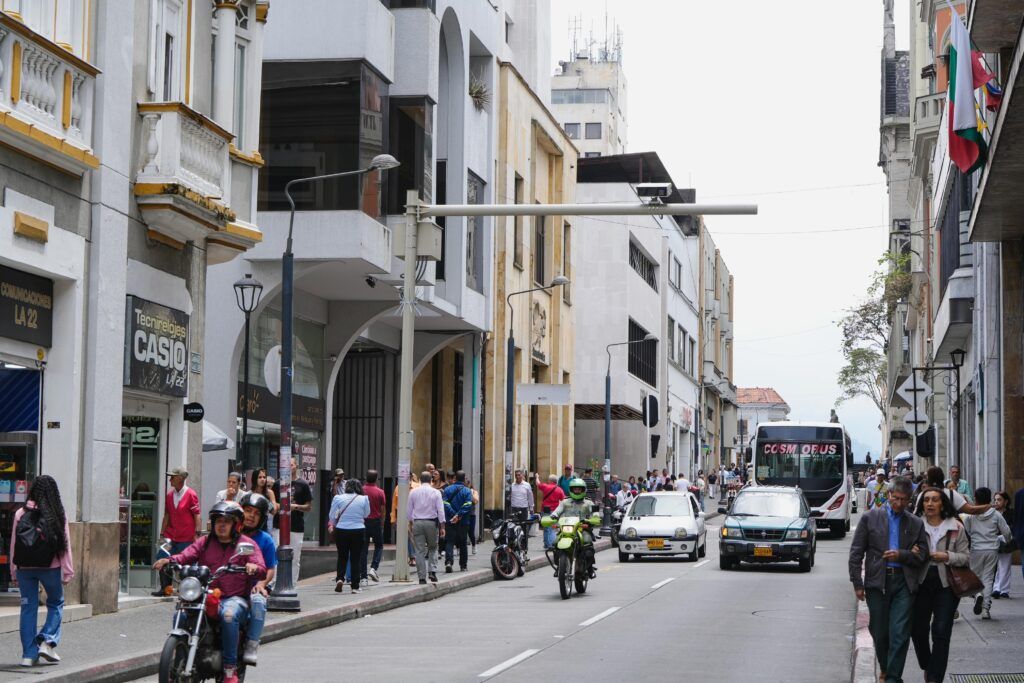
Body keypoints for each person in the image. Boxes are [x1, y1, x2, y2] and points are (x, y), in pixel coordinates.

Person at [154, 502, 266, 683]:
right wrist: (169, 560)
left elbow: (260, 566)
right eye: (218, 521)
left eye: (227, 521)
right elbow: (186, 555)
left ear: (236, 524)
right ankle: (181, 659)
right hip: (206, 594)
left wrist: (253, 566)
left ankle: (230, 669)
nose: (221, 525)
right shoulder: (205, 543)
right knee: (180, 615)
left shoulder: (245, 544)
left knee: (229, 615)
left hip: (234, 597)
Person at [848, 476, 928, 683]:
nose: (899, 503)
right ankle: (885, 666)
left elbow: (922, 555)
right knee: (880, 631)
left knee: (900, 633)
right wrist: (857, 583)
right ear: (889, 495)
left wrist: (902, 555)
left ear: (910, 500)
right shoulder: (870, 517)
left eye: (904, 500)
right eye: (896, 498)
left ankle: (893, 678)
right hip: (877, 582)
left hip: (904, 582)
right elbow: (856, 552)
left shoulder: (916, 523)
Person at [10, 475, 74, 668]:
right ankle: (47, 640)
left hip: (24, 569)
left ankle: (28, 655)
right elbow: (65, 545)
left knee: (28, 608)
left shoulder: (20, 513)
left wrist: (14, 570)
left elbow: (14, 544)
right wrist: (68, 571)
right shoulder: (57, 513)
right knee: (56, 602)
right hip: (50, 567)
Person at [910, 486, 969, 683]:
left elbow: (966, 558)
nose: (930, 504)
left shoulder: (956, 527)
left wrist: (947, 556)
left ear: (942, 503)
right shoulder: (914, 525)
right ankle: (928, 665)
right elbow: (905, 552)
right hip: (921, 582)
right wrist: (913, 552)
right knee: (917, 630)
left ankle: (935, 678)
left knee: (941, 631)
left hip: (947, 584)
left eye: (935, 500)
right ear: (922, 504)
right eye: (926, 500)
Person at [237, 492, 276, 666]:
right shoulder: (230, 533)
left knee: (259, 603)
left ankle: (252, 643)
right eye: (248, 510)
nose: (251, 516)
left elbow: (270, 569)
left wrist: (261, 583)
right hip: (229, 585)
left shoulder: (266, 540)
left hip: (252, 587)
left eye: (256, 513)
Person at [963, 487, 1012, 620]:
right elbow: (1006, 530)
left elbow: (966, 530)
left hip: (976, 550)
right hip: (992, 549)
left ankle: (978, 595)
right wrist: (1007, 540)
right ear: (989, 499)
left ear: (976, 499)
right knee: (989, 578)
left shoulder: (972, 515)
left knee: (975, 577)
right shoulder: (996, 514)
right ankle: (986, 609)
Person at [153, 467, 201, 596]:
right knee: (162, 557)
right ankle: (165, 589)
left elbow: (197, 515)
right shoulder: (169, 495)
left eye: (172, 477)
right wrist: (162, 533)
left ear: (180, 479)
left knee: (185, 564)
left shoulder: (191, 494)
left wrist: (197, 534)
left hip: (186, 536)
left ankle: (187, 590)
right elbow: (167, 515)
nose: (170, 479)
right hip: (170, 535)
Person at [547, 478, 598, 578]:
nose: (577, 491)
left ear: (583, 490)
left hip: (582, 528)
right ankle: (559, 567)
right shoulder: (565, 502)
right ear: (571, 490)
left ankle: (590, 568)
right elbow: (558, 510)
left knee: (588, 544)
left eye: (579, 489)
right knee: (556, 544)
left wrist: (594, 518)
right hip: (567, 528)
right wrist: (553, 516)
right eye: (575, 489)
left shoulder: (588, 503)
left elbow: (595, 513)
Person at [274, 458, 313, 585]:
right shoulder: (278, 484)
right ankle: (275, 582)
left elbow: (308, 506)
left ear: (296, 466)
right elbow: (273, 504)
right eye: (286, 465)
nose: (289, 467)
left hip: (296, 525)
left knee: (295, 556)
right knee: (276, 553)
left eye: (291, 465)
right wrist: (281, 506)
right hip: (278, 524)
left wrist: (295, 506)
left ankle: (293, 584)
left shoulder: (303, 484)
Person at [327, 479, 369, 594]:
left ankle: (340, 579)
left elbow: (331, 515)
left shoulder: (338, 498)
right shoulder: (364, 499)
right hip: (358, 529)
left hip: (342, 530)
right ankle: (355, 586)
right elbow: (366, 514)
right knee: (355, 558)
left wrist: (333, 524)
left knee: (342, 556)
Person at [407, 471, 446, 584]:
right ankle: (432, 571)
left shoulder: (413, 492)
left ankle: (421, 577)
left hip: (418, 523)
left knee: (419, 550)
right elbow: (440, 511)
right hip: (431, 524)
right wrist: (442, 526)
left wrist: (410, 523)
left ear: (420, 479)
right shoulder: (436, 492)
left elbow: (409, 511)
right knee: (433, 548)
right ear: (431, 480)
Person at [442, 471, 474, 573]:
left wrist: (453, 514)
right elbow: (468, 504)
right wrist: (459, 515)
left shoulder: (447, 489)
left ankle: (448, 562)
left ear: (455, 478)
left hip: (450, 521)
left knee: (449, 541)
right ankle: (463, 566)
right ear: (464, 479)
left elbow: (445, 503)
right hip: (463, 521)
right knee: (463, 543)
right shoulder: (467, 491)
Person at [361, 469, 387, 583]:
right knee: (379, 545)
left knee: (363, 549)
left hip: (363, 522)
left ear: (366, 478)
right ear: (377, 479)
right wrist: (382, 522)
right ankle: (373, 568)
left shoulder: (361, 490)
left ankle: (363, 577)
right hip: (376, 522)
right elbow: (383, 510)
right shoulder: (380, 492)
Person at [392, 472, 420, 567]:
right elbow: (394, 505)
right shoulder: (398, 488)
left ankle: (413, 557)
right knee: (406, 537)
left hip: (415, 516)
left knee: (413, 537)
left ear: (411, 477)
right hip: (402, 517)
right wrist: (393, 519)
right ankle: (410, 557)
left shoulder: (418, 486)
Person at [992, 490, 1015, 599]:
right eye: (995, 500)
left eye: (999, 500)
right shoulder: (992, 512)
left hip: (1006, 542)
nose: (996, 502)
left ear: (1005, 501)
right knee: (995, 566)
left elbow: (1011, 527)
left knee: (1005, 566)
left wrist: (1002, 536)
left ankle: (1004, 590)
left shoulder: (1011, 513)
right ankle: (996, 588)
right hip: (993, 541)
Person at [538, 475, 566, 549]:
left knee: (546, 527)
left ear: (550, 481)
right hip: (555, 511)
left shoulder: (545, 487)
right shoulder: (559, 489)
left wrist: (537, 477)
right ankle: (547, 543)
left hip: (545, 510)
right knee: (552, 528)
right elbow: (563, 499)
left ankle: (550, 544)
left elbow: (538, 484)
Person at [249, 468, 279, 535]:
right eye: (260, 477)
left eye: (264, 477)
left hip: (265, 526)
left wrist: (265, 500)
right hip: (251, 525)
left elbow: (274, 511)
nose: (262, 479)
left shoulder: (270, 492)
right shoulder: (249, 494)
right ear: (254, 479)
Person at [467, 480, 480, 555]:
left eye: (468, 483)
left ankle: (474, 546)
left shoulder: (474, 492)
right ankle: (459, 548)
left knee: (471, 532)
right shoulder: (461, 490)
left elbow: (475, 501)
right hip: (462, 514)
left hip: (471, 514)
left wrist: (470, 493)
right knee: (460, 532)